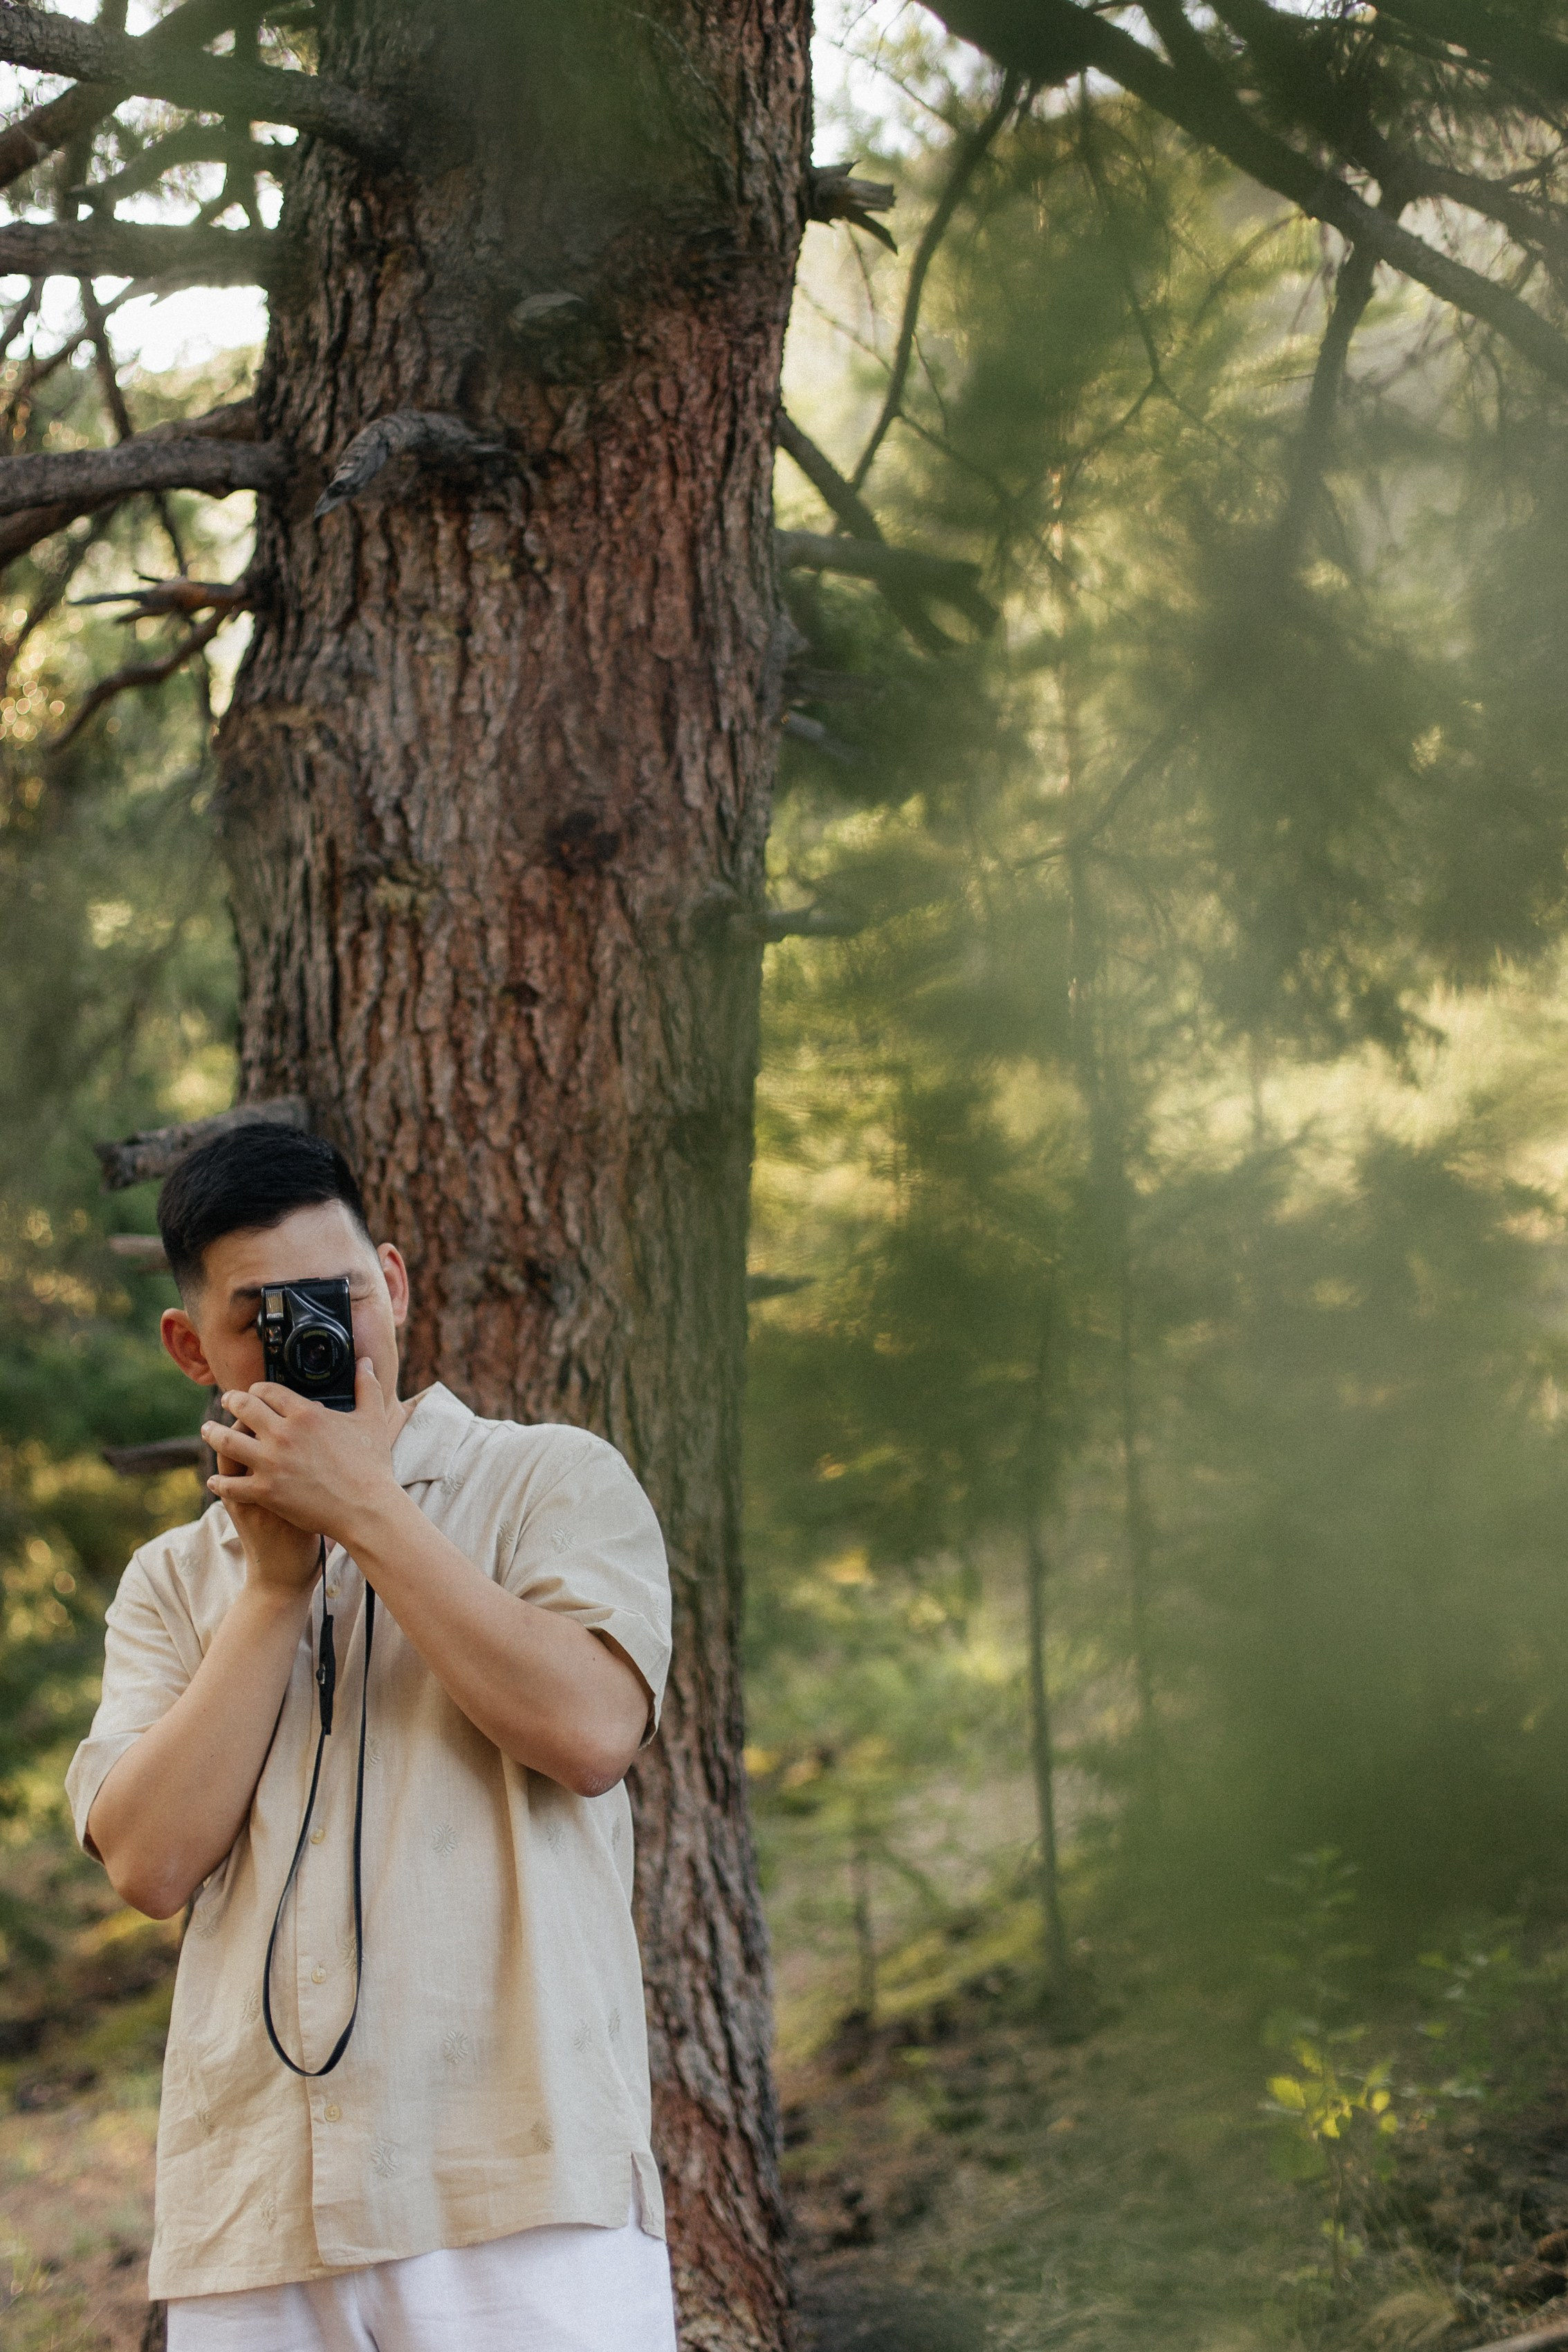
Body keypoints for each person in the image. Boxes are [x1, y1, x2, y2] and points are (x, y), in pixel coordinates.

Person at [65, 1125, 677, 2351]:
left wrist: (370, 1515)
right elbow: (148, 1863)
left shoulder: (552, 1481)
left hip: (517, 2186)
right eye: (264, 1316)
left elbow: (594, 1730)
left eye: (338, 1298)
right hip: (253, 2213)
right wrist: (276, 1588)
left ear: (391, 1284)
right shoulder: (176, 1581)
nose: (317, 1337)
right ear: (194, 1347)